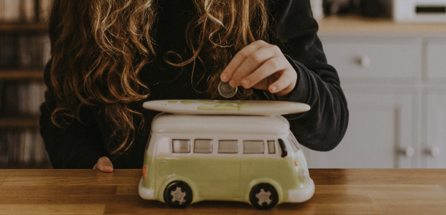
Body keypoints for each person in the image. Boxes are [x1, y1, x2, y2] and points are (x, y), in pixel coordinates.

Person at [40, 0, 349, 172]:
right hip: (125, 200)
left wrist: (294, 81)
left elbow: (332, 126)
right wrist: (85, 160)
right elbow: (62, 113)